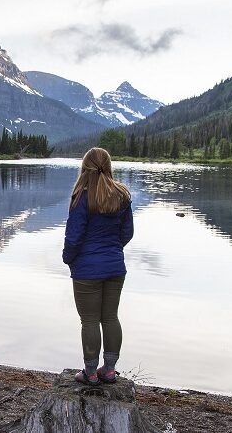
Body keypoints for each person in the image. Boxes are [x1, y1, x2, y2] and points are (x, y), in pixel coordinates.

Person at [62, 147, 134, 385]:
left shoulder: (81, 197)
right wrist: (113, 250)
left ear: (85, 168)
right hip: (115, 267)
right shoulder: (122, 195)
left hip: (86, 270)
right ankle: (110, 370)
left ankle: (90, 373)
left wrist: (68, 258)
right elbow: (127, 233)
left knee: (90, 321)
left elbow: (74, 237)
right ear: (109, 166)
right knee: (111, 318)